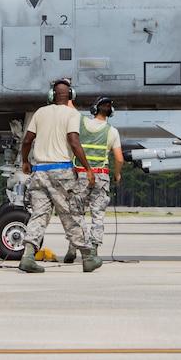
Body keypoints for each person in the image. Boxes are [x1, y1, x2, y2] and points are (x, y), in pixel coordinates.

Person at [18, 79, 101, 273]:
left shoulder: (40, 112)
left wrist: (25, 161)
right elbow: (74, 141)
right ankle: (88, 257)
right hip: (62, 171)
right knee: (71, 213)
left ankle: (28, 255)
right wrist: (87, 168)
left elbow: (27, 140)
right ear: (71, 95)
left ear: (51, 96)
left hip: (39, 172)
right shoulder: (72, 114)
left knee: (39, 215)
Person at [64, 96, 123, 263]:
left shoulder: (82, 123)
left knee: (76, 212)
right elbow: (119, 159)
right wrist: (117, 174)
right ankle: (94, 248)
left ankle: (73, 247)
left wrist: (67, 86)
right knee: (98, 214)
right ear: (110, 112)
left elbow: (69, 106)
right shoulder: (112, 131)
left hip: (82, 174)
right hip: (102, 175)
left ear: (94, 109)